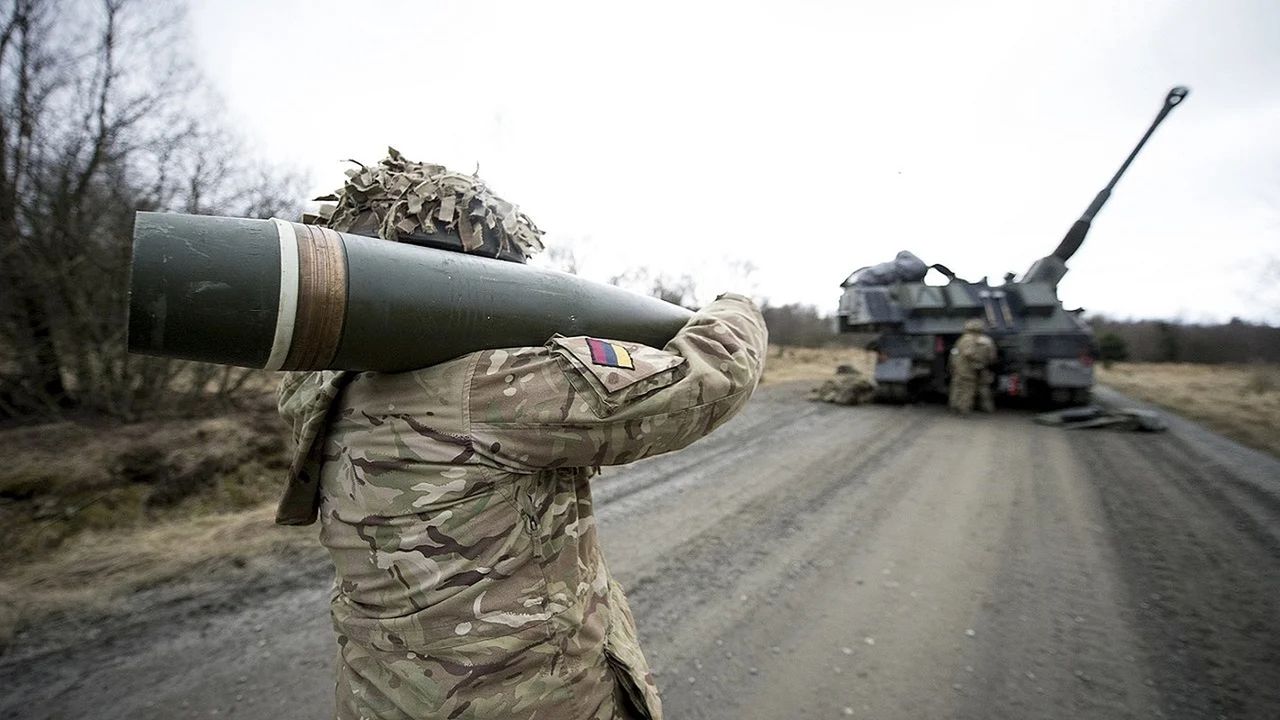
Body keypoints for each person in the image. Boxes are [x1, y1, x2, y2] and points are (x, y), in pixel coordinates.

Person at [276, 151, 768, 719]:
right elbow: (713, 378)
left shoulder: (320, 388)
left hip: (381, 700)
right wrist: (738, 305)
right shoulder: (487, 389)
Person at [948, 319, 997, 414]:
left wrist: (953, 365)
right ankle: (968, 409)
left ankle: (956, 407)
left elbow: (955, 353)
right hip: (976, 368)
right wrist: (981, 361)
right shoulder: (986, 340)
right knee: (976, 388)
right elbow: (991, 356)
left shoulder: (962, 339)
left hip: (961, 368)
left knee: (958, 387)